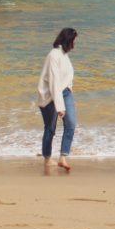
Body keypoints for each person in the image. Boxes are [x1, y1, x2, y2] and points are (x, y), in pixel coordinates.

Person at [37, 27, 77, 171]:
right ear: (68, 40)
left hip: (64, 92)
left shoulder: (64, 54)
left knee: (71, 123)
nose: (75, 44)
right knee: (50, 129)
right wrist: (60, 107)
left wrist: (69, 86)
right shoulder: (54, 55)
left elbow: (67, 74)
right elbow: (53, 82)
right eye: (73, 41)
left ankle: (63, 157)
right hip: (49, 96)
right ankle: (47, 159)